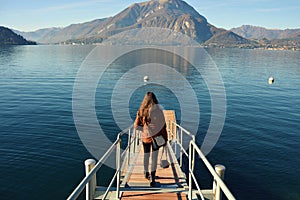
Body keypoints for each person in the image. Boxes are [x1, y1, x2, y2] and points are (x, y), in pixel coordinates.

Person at [134, 92, 168, 187]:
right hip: (156, 138)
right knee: (154, 158)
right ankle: (152, 178)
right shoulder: (159, 111)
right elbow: (163, 126)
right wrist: (165, 139)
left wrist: (144, 130)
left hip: (145, 138)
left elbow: (136, 126)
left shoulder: (141, 111)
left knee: (146, 156)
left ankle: (146, 173)